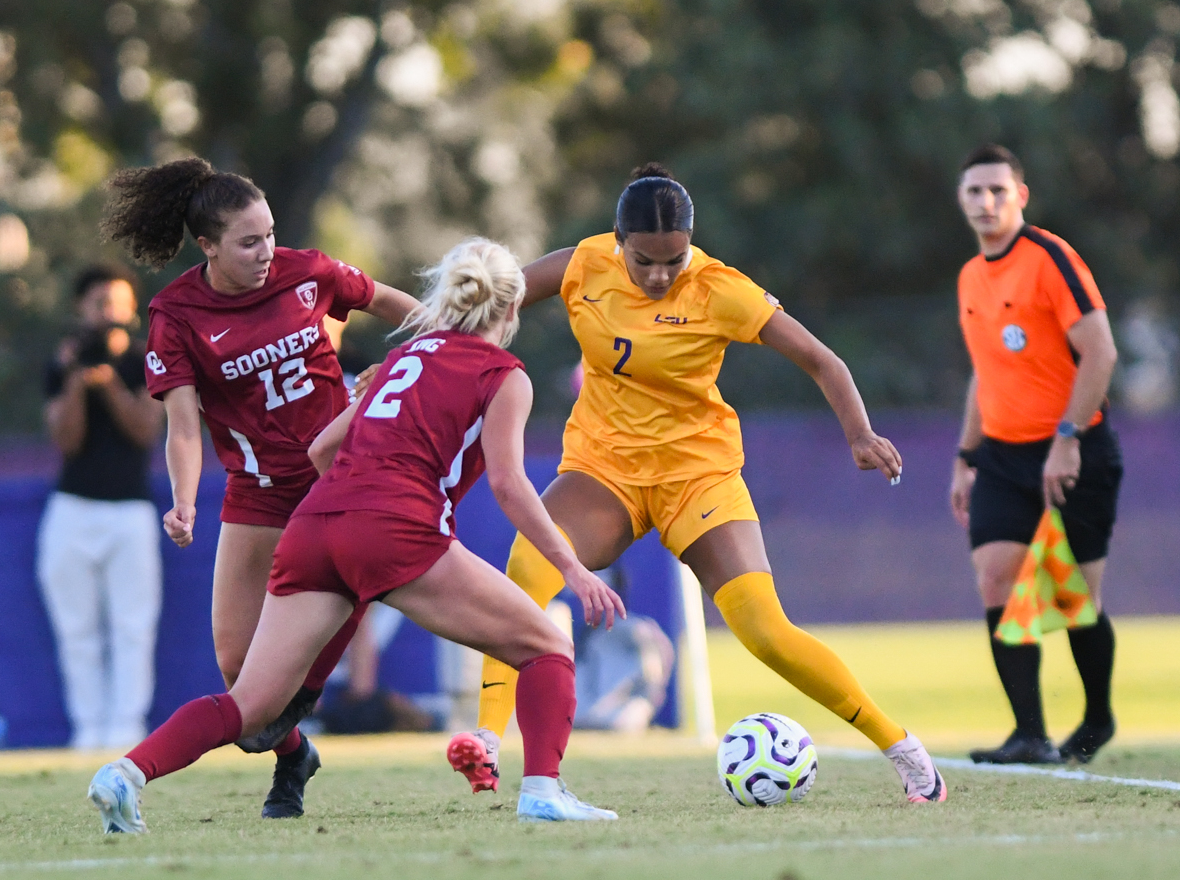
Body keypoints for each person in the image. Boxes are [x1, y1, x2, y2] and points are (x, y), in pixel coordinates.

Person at [89, 239, 627, 832]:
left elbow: (322, 447)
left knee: (249, 707)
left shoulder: (398, 361)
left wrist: (349, 518)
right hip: (396, 528)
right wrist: (573, 568)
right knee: (547, 646)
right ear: (513, 309)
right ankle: (545, 791)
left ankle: (126, 774)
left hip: (314, 524)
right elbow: (509, 484)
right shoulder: (505, 374)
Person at [456, 165, 946, 804]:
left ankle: (907, 755)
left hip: (698, 476)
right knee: (525, 570)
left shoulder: (720, 288)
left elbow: (823, 359)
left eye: (673, 259)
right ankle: (487, 747)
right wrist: (410, 358)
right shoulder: (582, 265)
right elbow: (486, 307)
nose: (660, 275)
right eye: (644, 261)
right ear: (616, 240)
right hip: (605, 471)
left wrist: (859, 434)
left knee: (764, 631)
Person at [99, 156, 419, 818]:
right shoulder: (177, 313)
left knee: (278, 688)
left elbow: (403, 308)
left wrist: (413, 361)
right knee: (239, 675)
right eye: (249, 241)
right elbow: (182, 427)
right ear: (207, 245)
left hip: (339, 481)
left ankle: (302, 702)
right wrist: (185, 499)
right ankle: (296, 753)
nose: (268, 251)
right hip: (256, 491)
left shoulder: (309, 272)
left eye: (270, 233)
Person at [948, 145, 1122, 765]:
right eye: (975, 191)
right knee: (995, 577)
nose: (986, 202)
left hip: (1076, 452)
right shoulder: (971, 276)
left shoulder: (1050, 259)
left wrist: (1067, 441)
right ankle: (1030, 734)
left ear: (1021, 195)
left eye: (998, 190)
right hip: (1001, 456)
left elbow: (1100, 352)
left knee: (1076, 599)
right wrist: (966, 456)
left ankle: (1098, 717)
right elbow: (984, 372)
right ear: (962, 200)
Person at [37, 266, 166, 750]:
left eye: (118, 302)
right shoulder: (64, 362)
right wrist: (76, 380)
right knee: (77, 629)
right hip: (73, 508)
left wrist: (110, 382)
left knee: (133, 626)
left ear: (132, 309)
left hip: (129, 510)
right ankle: (88, 730)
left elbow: (145, 431)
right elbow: (66, 440)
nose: (108, 312)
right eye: (98, 303)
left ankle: (127, 729)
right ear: (81, 309)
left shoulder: (147, 361)